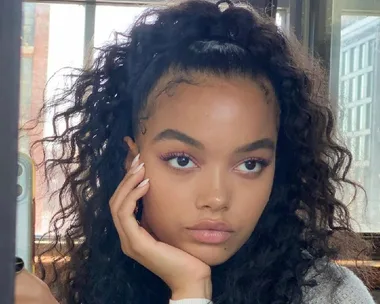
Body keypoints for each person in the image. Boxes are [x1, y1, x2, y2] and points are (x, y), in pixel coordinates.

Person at [15, 0, 376, 303]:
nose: (217, 198)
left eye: (251, 164)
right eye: (183, 160)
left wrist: (190, 289)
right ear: (131, 160)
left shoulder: (327, 294)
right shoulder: (97, 280)